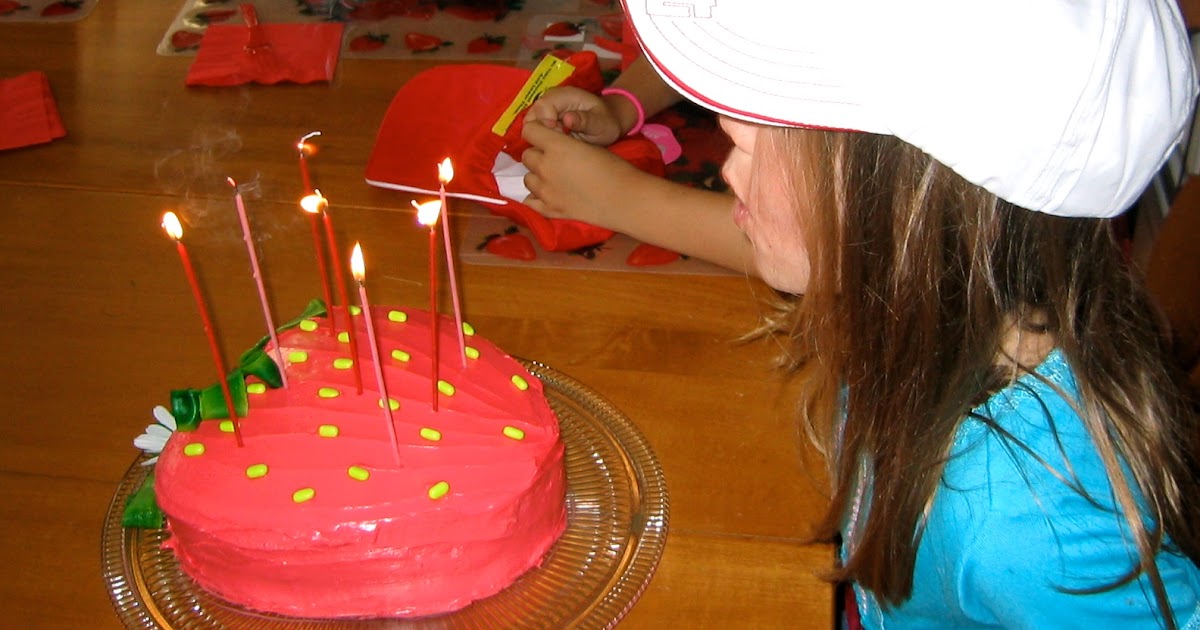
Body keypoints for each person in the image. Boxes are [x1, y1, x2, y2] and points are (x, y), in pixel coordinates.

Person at [522, 1, 1200, 628]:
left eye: (770, 120)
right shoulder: (924, 304)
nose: (727, 137)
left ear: (906, 205)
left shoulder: (1032, 530)